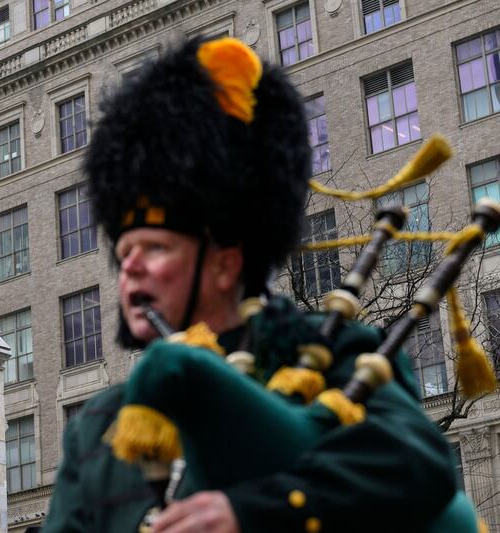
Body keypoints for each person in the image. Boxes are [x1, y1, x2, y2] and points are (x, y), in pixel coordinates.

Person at [41, 36, 469, 532]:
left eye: (155, 249)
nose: (129, 269)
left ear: (225, 265)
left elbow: (418, 468)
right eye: (123, 254)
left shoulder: (339, 352)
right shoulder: (97, 428)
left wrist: (255, 512)